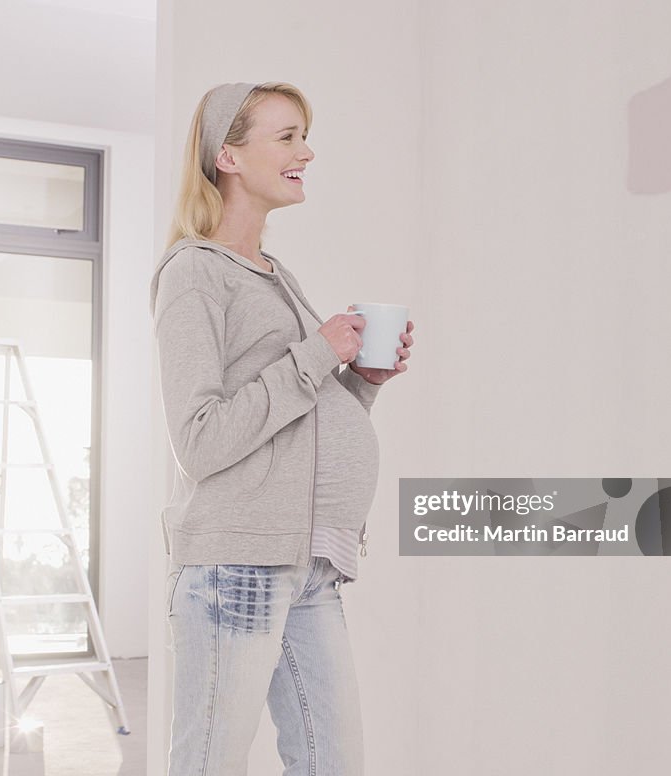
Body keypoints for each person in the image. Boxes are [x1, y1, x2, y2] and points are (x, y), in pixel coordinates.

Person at [150, 81, 415, 776]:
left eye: (304, 135)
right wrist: (320, 352)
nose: (308, 150)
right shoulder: (193, 274)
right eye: (288, 136)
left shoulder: (275, 275)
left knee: (333, 762)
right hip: (235, 566)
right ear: (229, 157)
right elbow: (201, 440)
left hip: (306, 567)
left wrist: (360, 382)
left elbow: (299, 430)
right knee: (209, 764)